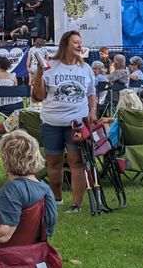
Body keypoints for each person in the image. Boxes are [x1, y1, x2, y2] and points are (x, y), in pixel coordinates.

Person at [32, 30, 97, 213]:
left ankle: (77, 204)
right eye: (75, 42)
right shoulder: (50, 66)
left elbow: (92, 93)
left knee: (77, 162)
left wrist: (92, 111)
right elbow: (38, 95)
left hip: (77, 123)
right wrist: (39, 72)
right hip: (52, 123)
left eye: (80, 42)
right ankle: (56, 199)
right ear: (65, 45)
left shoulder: (86, 69)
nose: (79, 46)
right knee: (53, 162)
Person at [0, 130, 57, 243]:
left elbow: (0, 236)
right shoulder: (45, 190)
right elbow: (48, 230)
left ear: (6, 158)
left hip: (2, 255)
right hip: (32, 253)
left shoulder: (14, 190)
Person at [0, 56, 22, 120]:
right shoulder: (13, 76)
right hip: (16, 104)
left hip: (0, 105)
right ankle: (9, 123)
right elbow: (16, 92)